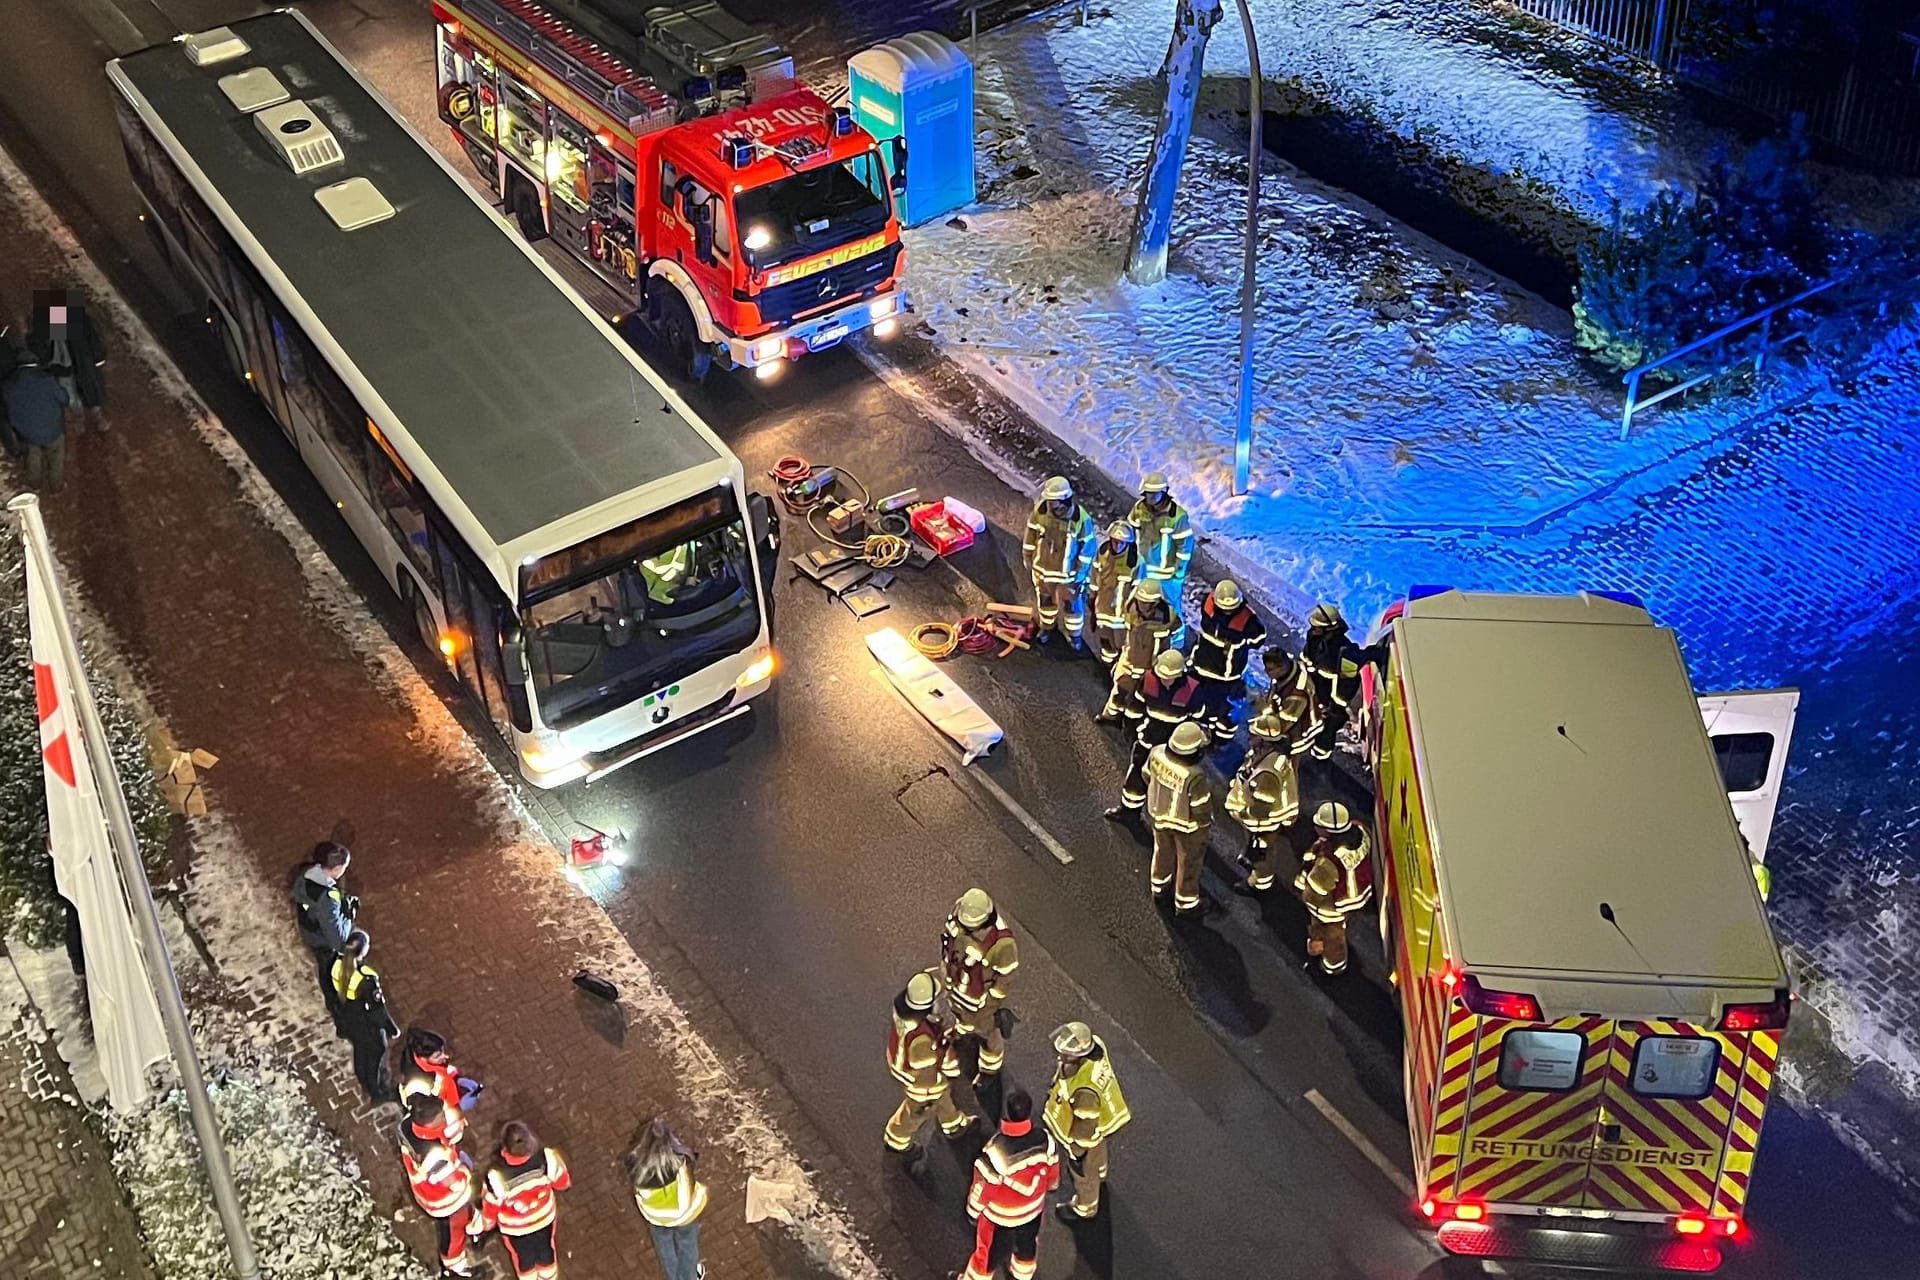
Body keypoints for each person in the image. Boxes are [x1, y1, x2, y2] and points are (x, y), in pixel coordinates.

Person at [960, 1088, 1059, 1280]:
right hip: (1033, 1212)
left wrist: (973, 1212)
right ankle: (1021, 1276)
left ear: (1009, 1114)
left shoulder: (995, 1152)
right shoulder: (1045, 1140)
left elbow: (982, 1189)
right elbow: (1052, 1174)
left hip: (999, 1219)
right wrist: (1050, 1187)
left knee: (986, 1258)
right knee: (1027, 1249)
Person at [1042, 1021, 1130, 1224]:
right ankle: (1100, 1170)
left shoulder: (1085, 1094)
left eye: (1066, 1053)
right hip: (1101, 1126)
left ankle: (1085, 1206)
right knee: (1099, 1153)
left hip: (1088, 1137)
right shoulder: (1095, 1047)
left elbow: (1084, 1132)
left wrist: (1076, 1155)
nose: (1061, 1056)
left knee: (1085, 1175)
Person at [1108, 648, 1204, 821]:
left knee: (1169, 787)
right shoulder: (1149, 681)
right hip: (1149, 738)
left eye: (1170, 677)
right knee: (1137, 775)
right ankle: (1129, 811)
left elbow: (1197, 721)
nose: (1165, 680)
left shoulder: (1192, 689)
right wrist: (1130, 729)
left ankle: (1167, 823)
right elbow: (1134, 708)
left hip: (1175, 747)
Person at [884, 969, 972, 1157]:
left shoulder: (910, 1018)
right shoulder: (921, 1040)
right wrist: (933, 1089)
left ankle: (953, 1125)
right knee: (914, 1114)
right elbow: (926, 1074)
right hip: (921, 1083)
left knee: (944, 1097)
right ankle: (896, 1139)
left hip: (912, 1070)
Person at [941, 889, 1020, 1079]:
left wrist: (991, 1001)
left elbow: (1006, 975)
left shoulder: (1002, 943)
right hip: (956, 986)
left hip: (980, 1000)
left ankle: (989, 1068)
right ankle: (963, 1030)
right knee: (961, 1016)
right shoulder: (959, 911)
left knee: (987, 1034)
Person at [477, 1121, 572, 1280]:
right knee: (546, 1251)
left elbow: (490, 1209)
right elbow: (563, 1183)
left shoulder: (495, 1176)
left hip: (515, 1230)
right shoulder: (546, 1158)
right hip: (544, 1219)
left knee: (523, 1259)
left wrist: (486, 1225)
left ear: (504, 1147)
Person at [399, 1092, 479, 1276]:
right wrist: (465, 1170)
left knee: (463, 1220)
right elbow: (454, 1183)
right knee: (453, 1236)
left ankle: (473, 1227)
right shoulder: (435, 1156)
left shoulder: (407, 1125)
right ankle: (456, 1268)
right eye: (441, 1116)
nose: (445, 1117)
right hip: (445, 1203)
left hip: (426, 1188)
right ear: (429, 1123)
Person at [1225, 706, 1300, 896]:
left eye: (1254, 735)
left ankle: (1259, 883)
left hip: (1263, 822)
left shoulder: (1268, 772)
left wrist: (1246, 818)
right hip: (1259, 817)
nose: (1249, 737)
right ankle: (1251, 858)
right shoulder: (1265, 753)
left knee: (1261, 851)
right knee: (1254, 846)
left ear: (1265, 740)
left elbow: (1261, 808)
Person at [1295, 802, 1373, 976]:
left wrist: (1303, 887)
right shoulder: (1360, 830)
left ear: (1328, 830)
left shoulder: (1329, 861)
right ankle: (1319, 950)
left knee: (1332, 935)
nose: (1315, 827)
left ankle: (1332, 965)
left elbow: (1315, 891)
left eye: (1319, 825)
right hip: (1356, 894)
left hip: (1333, 906)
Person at [1145, 721, 1213, 915]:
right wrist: (1205, 829)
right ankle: (1186, 903)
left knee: (1162, 851)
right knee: (1189, 861)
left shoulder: (1156, 753)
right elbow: (1201, 809)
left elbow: (1146, 776)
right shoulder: (1195, 775)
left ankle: (1159, 886)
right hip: (1187, 826)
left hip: (1159, 816)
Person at [1021, 475, 1097, 649]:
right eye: (1049, 500)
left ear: (1065, 499)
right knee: (1046, 604)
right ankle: (1047, 628)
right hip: (1043, 571)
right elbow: (1031, 535)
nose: (1051, 504)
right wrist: (1027, 556)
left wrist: (1080, 573)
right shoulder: (1040, 512)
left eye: (1054, 500)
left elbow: (1088, 549)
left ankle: (1075, 637)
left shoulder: (1080, 519)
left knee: (1072, 609)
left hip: (1068, 577)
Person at [628, 1117, 708, 1280]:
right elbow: (688, 1187)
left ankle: (674, 1276)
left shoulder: (636, 1168)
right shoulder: (678, 1165)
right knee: (687, 1243)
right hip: (683, 1215)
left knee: (664, 1243)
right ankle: (689, 1276)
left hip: (654, 1215)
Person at [1190, 579, 1268, 743]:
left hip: (1226, 674)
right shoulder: (1209, 602)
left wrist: (1241, 640)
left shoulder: (1248, 618)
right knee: (1198, 701)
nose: (1227, 612)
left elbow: (1259, 638)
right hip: (1202, 664)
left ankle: (1219, 740)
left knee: (1223, 709)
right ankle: (1198, 728)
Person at [291, 840, 356, 1024]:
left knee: (325, 969)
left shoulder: (306, 874)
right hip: (322, 941)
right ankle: (337, 1007)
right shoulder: (327, 899)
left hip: (309, 930)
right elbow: (338, 940)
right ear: (336, 869)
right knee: (329, 971)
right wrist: (348, 917)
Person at [1126, 472, 1193, 645]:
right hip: (1143, 569)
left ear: (1164, 493)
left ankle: (1175, 644)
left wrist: (1179, 571)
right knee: (1142, 606)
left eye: (1155, 493)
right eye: (1148, 493)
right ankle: (1141, 642)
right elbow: (1130, 533)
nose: (1151, 497)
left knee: (1171, 609)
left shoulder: (1177, 517)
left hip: (1167, 575)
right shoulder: (1139, 510)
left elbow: (1184, 546)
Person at [333, 930, 400, 1102]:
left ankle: (363, 1079)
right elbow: (378, 1009)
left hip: (348, 1016)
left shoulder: (336, 965)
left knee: (360, 1050)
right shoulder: (366, 977)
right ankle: (376, 1092)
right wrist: (390, 1027)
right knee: (375, 1054)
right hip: (365, 1022)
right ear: (362, 951)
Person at [29, 289, 109, 430]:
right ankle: (84, 417)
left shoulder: (75, 317)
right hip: (64, 365)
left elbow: (92, 337)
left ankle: (94, 416)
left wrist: (97, 355)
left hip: (76, 362)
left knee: (82, 388)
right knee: (72, 391)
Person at [1097, 577, 1172, 723]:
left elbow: (1165, 646)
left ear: (1155, 603)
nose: (1143, 605)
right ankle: (1110, 716)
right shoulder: (1131, 608)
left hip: (1150, 667)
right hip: (1129, 660)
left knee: (1139, 702)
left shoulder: (1165, 619)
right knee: (1120, 691)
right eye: (1141, 600)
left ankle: (1129, 725)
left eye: (1147, 602)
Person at [3, 345, 70, 492]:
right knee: (56, 455)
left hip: (27, 434)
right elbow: (64, 399)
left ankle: (34, 485)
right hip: (52, 430)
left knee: (33, 456)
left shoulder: (7, 386)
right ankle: (56, 486)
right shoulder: (47, 380)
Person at [401, 1028, 484, 1141]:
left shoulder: (429, 1065)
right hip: (441, 1129)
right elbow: (430, 1118)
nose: (445, 1057)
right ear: (423, 1059)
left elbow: (444, 1073)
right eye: (437, 1056)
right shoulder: (416, 1087)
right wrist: (459, 1108)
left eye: (442, 1052)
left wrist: (458, 1079)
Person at [1086, 521, 1139, 666]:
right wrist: (1092, 599)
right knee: (1106, 644)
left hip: (1122, 617)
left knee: (1122, 645)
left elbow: (1138, 591)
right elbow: (1094, 577)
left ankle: (1118, 668)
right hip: (1103, 610)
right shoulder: (1102, 553)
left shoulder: (1135, 562)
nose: (1118, 546)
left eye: (1122, 543)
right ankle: (1107, 667)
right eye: (1115, 542)